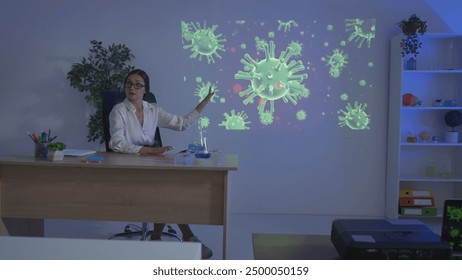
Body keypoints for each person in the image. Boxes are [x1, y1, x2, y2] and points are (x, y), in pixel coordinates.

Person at [108, 68, 215, 259]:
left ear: (145, 90)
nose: (132, 88)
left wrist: (203, 103)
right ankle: (186, 237)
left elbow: (181, 123)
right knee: (165, 191)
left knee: (167, 188)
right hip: (128, 167)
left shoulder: (153, 110)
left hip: (151, 166)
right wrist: (148, 150)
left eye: (138, 85)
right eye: (129, 84)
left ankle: (158, 238)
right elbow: (116, 143)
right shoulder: (119, 111)